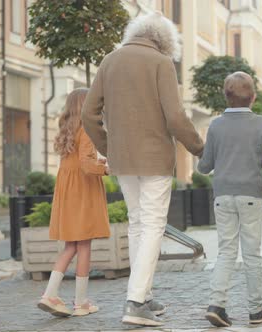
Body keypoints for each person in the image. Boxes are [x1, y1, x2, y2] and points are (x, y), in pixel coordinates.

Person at [81, 12, 204, 327]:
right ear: (165, 40)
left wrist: (109, 147)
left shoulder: (110, 60)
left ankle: (144, 295)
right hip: (154, 159)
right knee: (152, 226)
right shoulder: (162, 63)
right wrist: (199, 149)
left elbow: (88, 113)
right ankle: (136, 302)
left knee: (137, 225)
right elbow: (175, 118)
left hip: (122, 160)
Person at [197, 72, 262, 327]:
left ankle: (217, 304)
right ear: (253, 97)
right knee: (251, 254)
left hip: (223, 196)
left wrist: (204, 156)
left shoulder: (215, 125)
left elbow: (204, 167)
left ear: (225, 97)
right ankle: (256, 309)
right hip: (251, 194)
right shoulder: (261, 123)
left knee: (226, 250)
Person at [37, 88, 110, 318]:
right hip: (83, 190)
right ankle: (80, 303)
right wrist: (107, 168)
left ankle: (50, 294)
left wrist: (97, 161)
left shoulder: (66, 129)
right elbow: (87, 165)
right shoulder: (87, 129)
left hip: (67, 191)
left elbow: (79, 159)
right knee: (84, 245)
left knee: (70, 246)